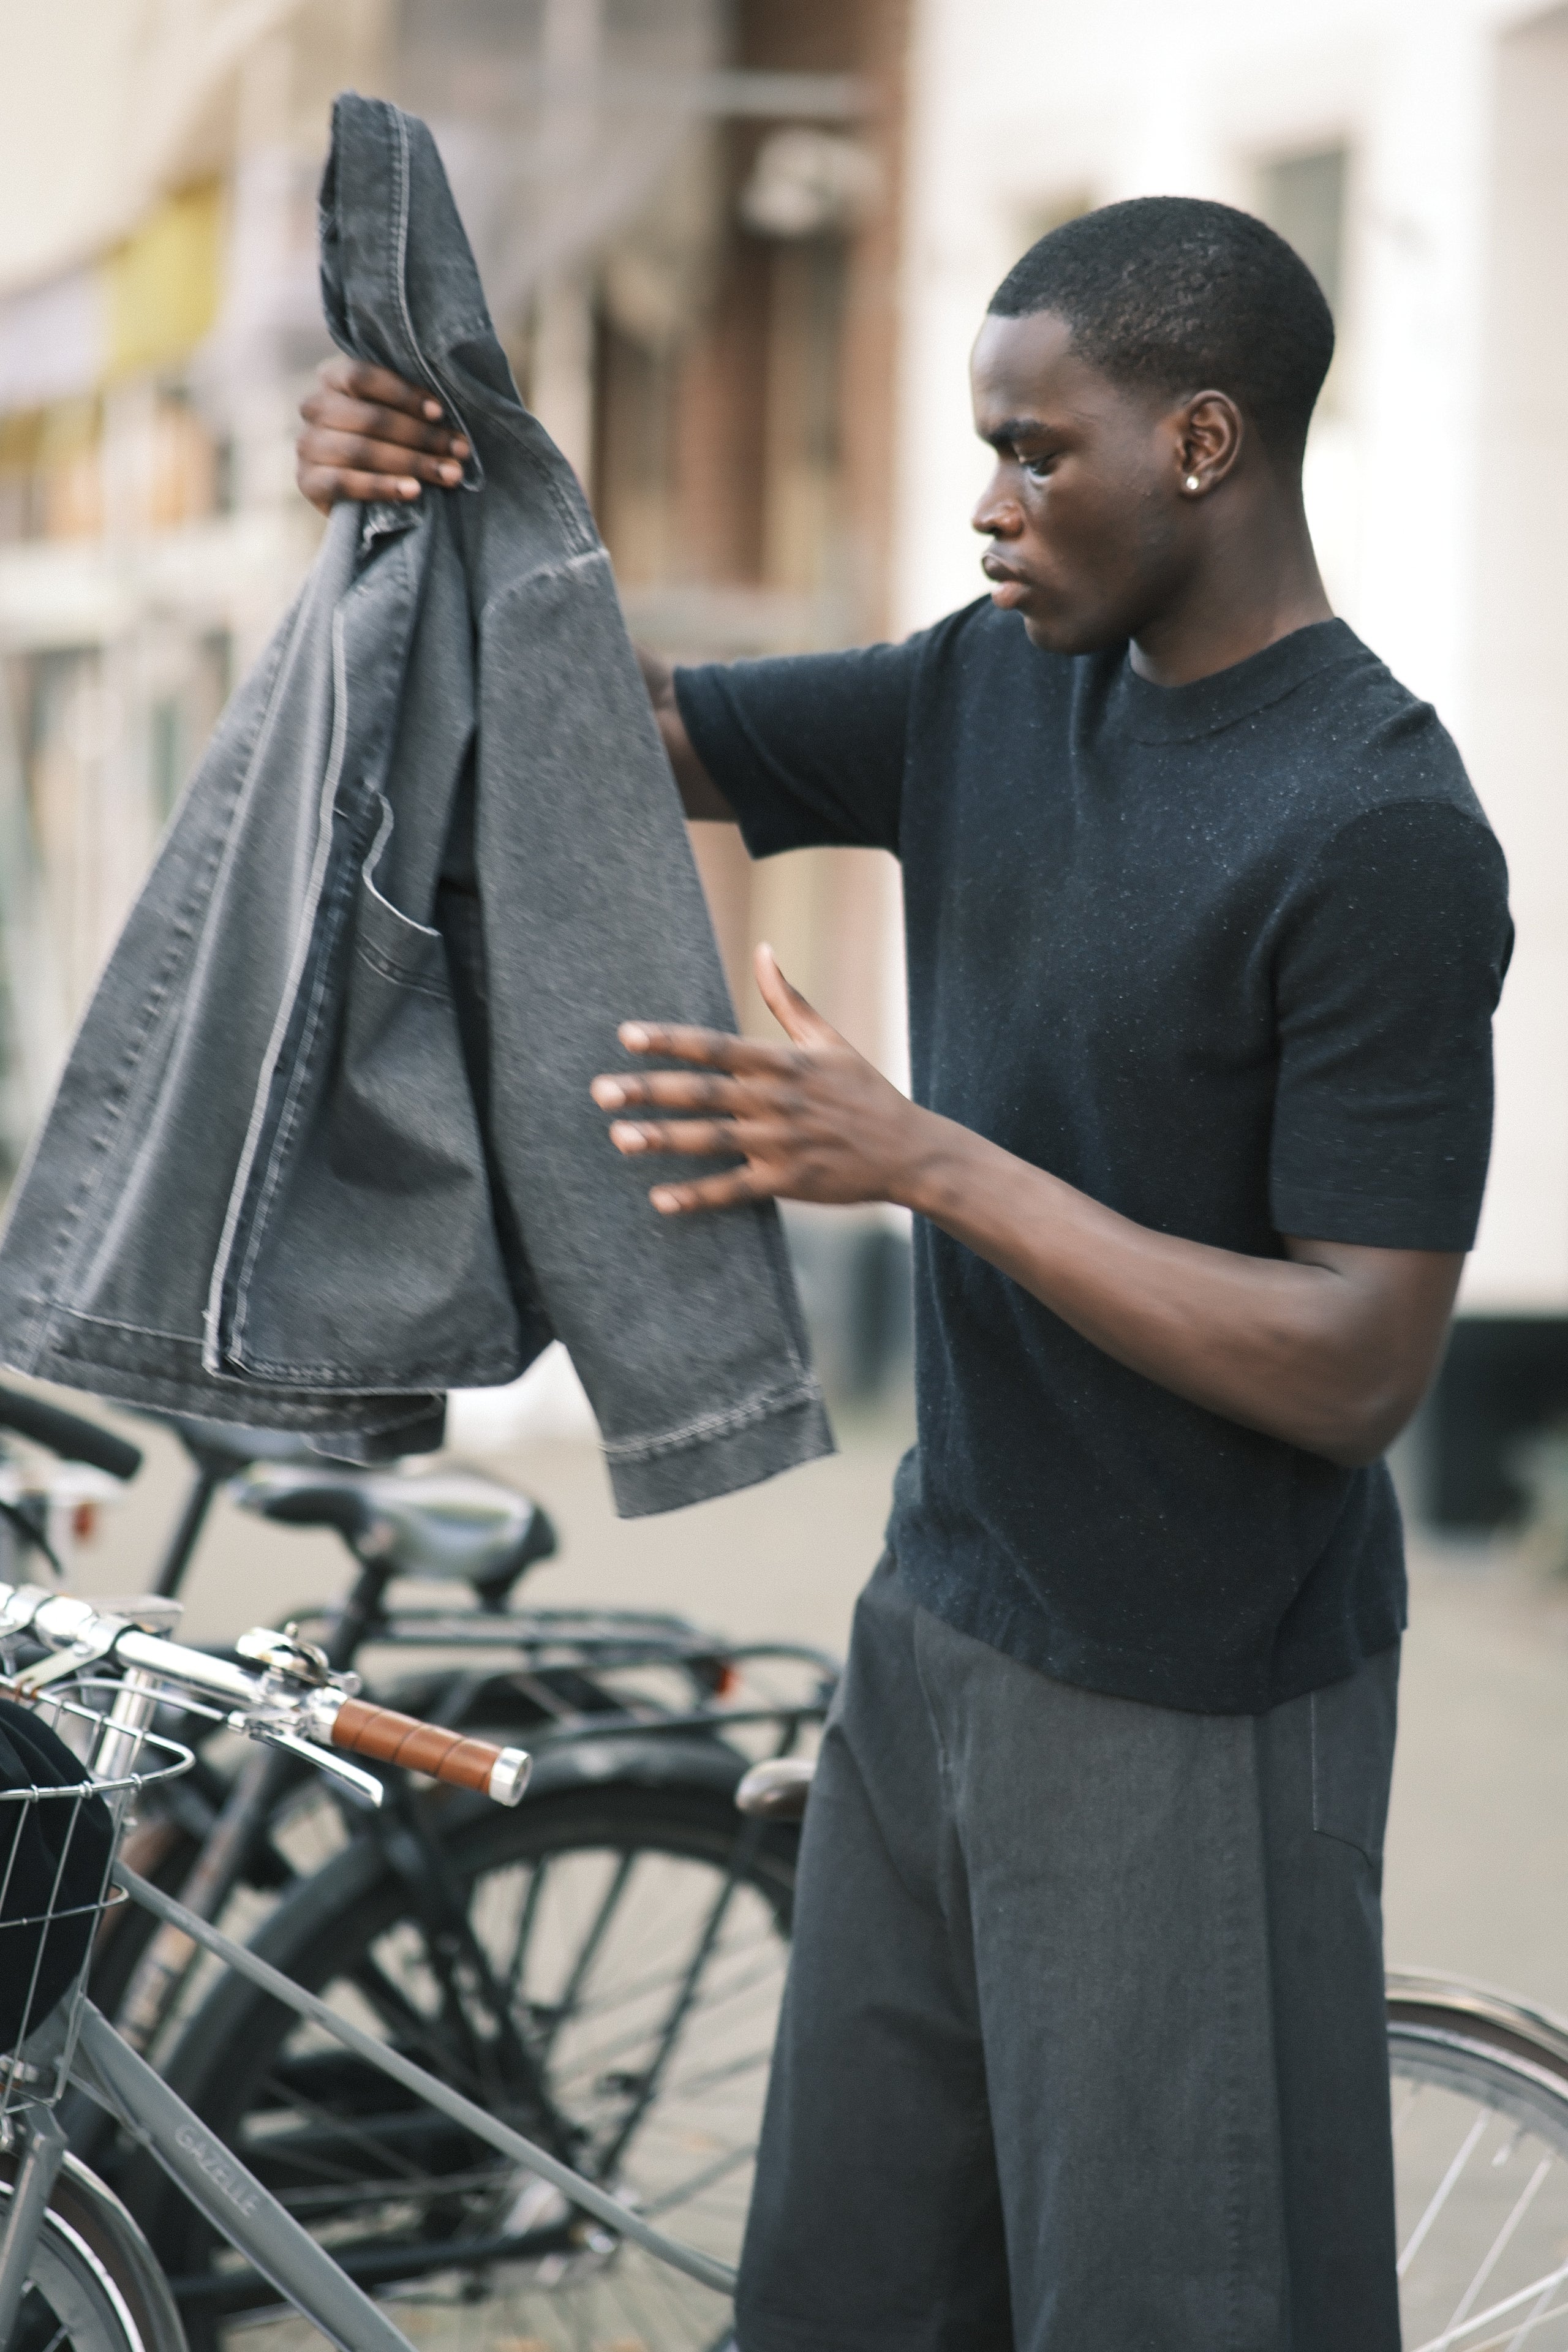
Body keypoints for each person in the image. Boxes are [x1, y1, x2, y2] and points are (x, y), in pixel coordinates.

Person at [296, 195, 1512, 2351]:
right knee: (843, 2301)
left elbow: (1357, 1361)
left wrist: (928, 1162)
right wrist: (429, 515)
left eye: (1040, 453)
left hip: (1197, 1693)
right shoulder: (985, 691)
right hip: (937, 1626)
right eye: (988, 451)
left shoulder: (1376, 824)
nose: (991, 506)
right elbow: (600, 741)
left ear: (1207, 444)